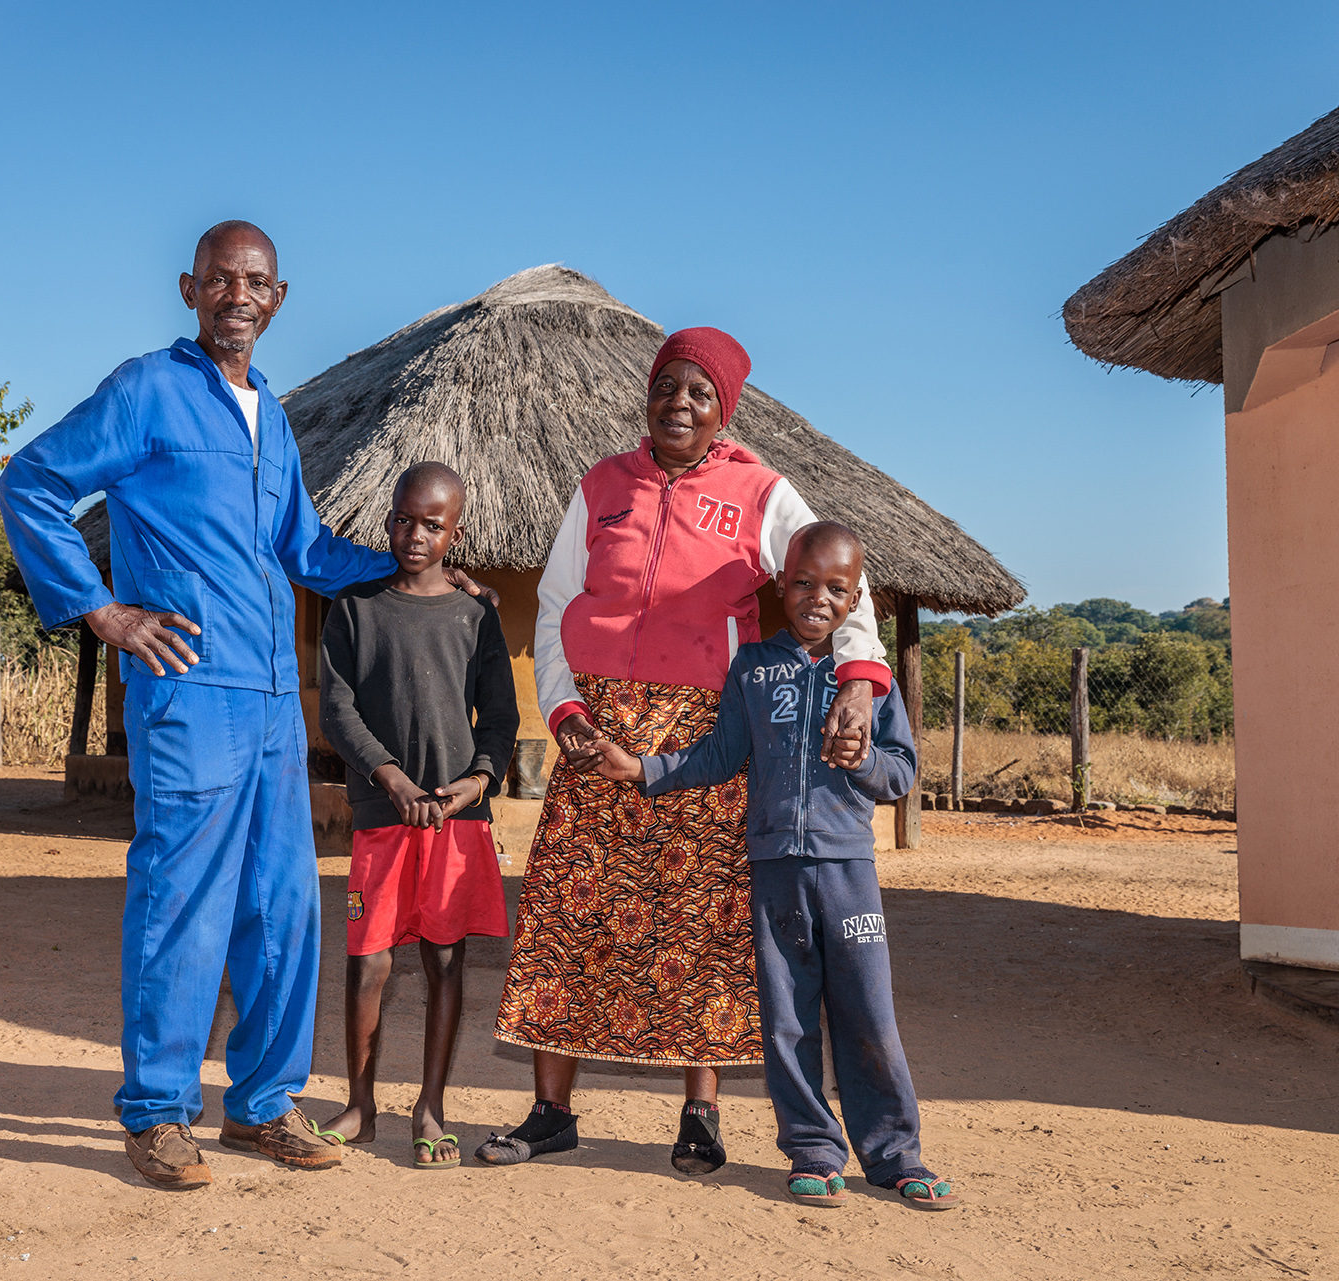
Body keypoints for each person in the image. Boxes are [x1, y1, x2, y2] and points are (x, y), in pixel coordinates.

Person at [0, 221, 491, 1189]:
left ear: (279, 297)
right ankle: (157, 1114)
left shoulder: (268, 406)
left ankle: (262, 1105)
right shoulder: (149, 389)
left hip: (270, 701)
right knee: (183, 902)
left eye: (255, 282)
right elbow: (33, 480)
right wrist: (100, 610)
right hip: (190, 690)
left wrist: (412, 566)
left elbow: (303, 549)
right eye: (220, 279)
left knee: (282, 907)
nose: (238, 294)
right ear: (191, 288)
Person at [479, 326, 892, 1173]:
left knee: (701, 919)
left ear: (723, 409)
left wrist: (857, 682)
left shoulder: (763, 491)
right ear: (648, 394)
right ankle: (552, 1110)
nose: (680, 403)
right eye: (667, 385)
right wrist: (563, 713)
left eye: (699, 392)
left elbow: (841, 579)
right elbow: (559, 602)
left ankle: (700, 1113)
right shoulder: (602, 485)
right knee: (568, 912)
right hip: (598, 729)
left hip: (707, 734)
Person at [588, 521, 959, 1210]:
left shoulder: (871, 684)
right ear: (781, 584)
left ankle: (893, 1152)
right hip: (775, 871)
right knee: (787, 1019)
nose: (818, 597)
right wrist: (643, 766)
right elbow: (719, 754)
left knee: (869, 1013)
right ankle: (814, 1149)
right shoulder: (754, 667)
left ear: (855, 601)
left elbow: (902, 771)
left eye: (837, 589)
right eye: (805, 582)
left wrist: (866, 760)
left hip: (847, 872)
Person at [313, 462, 518, 1169]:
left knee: (445, 958)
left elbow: (499, 717)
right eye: (404, 519)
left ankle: (430, 1104)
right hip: (382, 811)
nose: (414, 534)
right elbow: (337, 709)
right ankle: (361, 1102)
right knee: (368, 961)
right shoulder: (355, 608)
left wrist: (473, 784)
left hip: (456, 821)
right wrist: (391, 775)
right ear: (389, 517)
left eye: (432, 524)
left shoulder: (476, 615)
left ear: (454, 532)